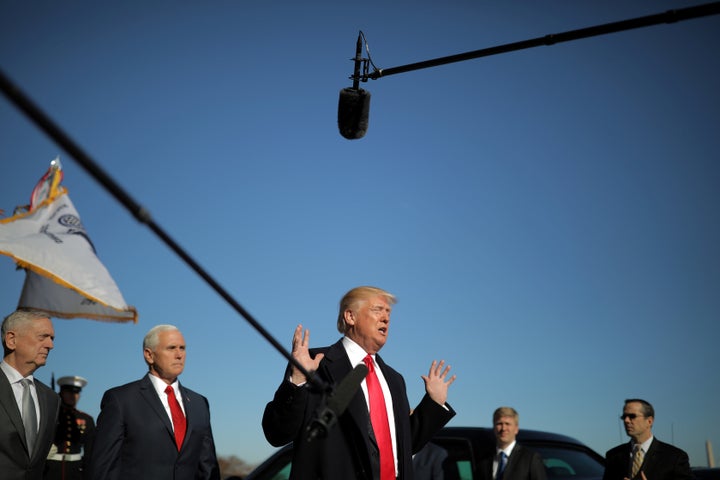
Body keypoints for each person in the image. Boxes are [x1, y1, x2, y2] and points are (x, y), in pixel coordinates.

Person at [262, 285, 457, 480]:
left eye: (388, 312)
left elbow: (403, 447)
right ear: (350, 317)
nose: (386, 318)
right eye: (377, 310)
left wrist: (434, 403)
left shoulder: (395, 380)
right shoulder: (315, 364)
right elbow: (278, 433)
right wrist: (297, 381)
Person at [87, 324, 220, 480]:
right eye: (171, 348)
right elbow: (103, 467)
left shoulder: (199, 403)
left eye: (182, 348)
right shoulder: (121, 400)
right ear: (149, 355)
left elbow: (207, 466)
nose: (179, 355)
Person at [0, 309, 60, 480]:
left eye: (52, 338)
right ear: (12, 340)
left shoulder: (51, 399)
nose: (50, 345)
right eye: (42, 337)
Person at [602, 399, 693, 480]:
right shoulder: (613, 456)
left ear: (649, 421)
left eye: (632, 416)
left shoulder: (675, 457)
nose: (626, 420)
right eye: (624, 417)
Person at [45, 375, 96, 480]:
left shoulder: (87, 419)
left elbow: (90, 452)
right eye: (69, 392)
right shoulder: (49, 415)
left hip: (75, 471)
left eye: (76, 392)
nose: (73, 396)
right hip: (50, 470)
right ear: (61, 393)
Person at [479, 407, 546, 480]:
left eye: (507, 424)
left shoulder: (530, 459)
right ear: (494, 428)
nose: (503, 428)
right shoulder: (484, 460)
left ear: (516, 429)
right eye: (499, 424)